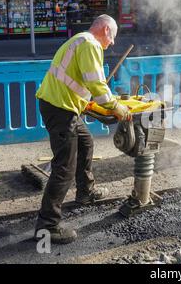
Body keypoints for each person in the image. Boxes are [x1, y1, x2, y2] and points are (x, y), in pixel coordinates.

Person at [34, 14, 131, 244]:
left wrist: (84, 101)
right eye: (113, 37)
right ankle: (47, 226)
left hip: (62, 105)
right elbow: (96, 83)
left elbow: (75, 79)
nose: (113, 43)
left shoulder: (79, 40)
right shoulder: (90, 44)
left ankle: (86, 192)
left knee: (86, 141)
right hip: (61, 109)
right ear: (106, 29)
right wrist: (116, 107)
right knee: (64, 167)